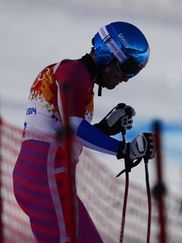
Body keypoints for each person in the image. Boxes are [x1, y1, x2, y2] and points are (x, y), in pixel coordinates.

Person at [12, 21, 155, 242]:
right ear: (109, 53)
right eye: (127, 68)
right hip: (47, 179)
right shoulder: (73, 72)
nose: (126, 78)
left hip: (46, 178)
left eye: (133, 73)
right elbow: (73, 128)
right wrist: (124, 149)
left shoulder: (78, 78)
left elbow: (65, 133)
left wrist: (105, 128)